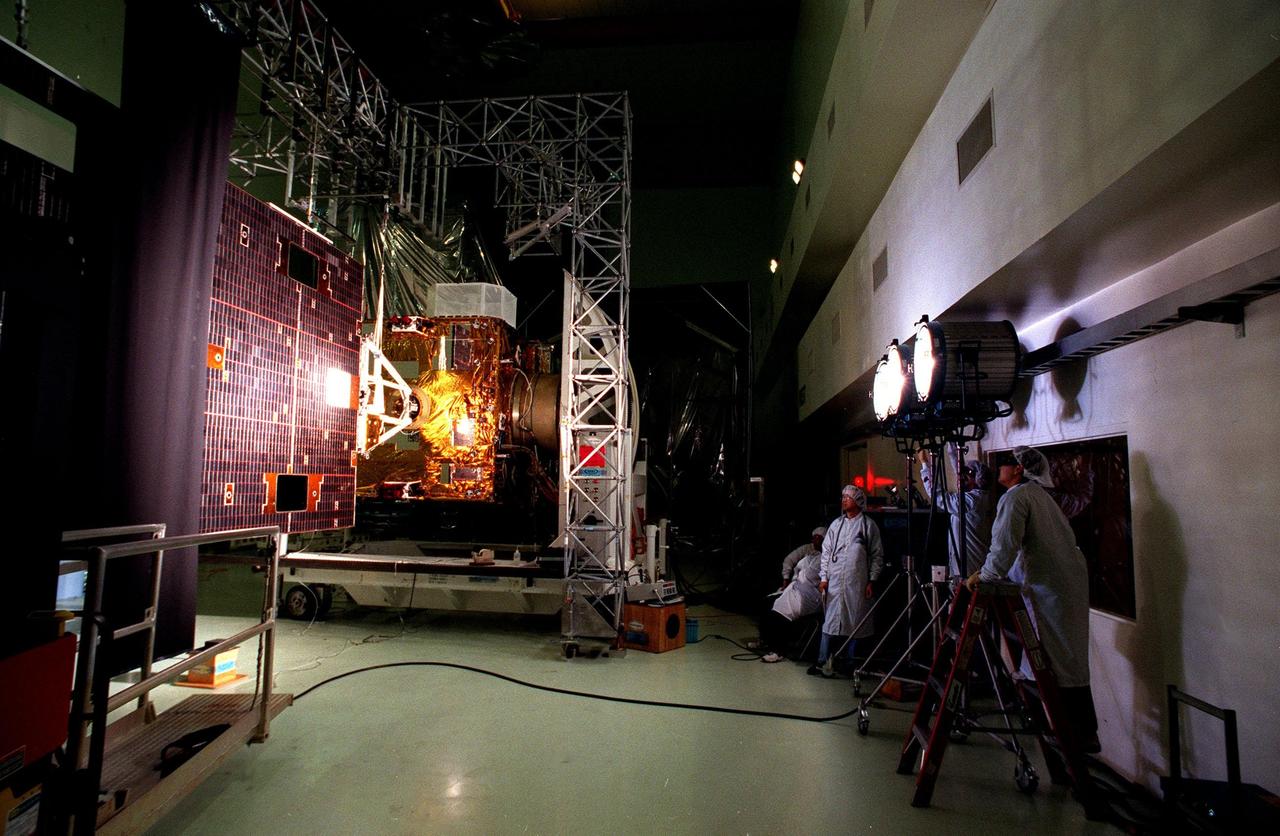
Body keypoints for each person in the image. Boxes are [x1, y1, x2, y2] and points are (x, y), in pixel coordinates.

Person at [965, 445, 1099, 752]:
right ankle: (1077, 733)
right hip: (1060, 585)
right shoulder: (1040, 498)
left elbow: (1004, 544)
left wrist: (984, 575)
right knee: (1067, 659)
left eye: (1007, 463)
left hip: (1049, 589)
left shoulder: (1018, 497)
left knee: (1060, 661)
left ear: (1019, 470)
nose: (999, 467)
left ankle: (1075, 735)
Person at [811, 485, 883, 677]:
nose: (843, 501)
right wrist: (824, 578)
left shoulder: (868, 526)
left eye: (847, 498)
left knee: (857, 621)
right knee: (831, 621)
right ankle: (822, 660)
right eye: (842, 497)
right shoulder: (836, 525)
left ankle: (853, 663)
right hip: (835, 582)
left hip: (857, 583)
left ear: (857, 501)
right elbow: (826, 553)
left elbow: (876, 555)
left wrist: (872, 580)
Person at [918, 446, 995, 577]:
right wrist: (952, 443)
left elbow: (937, 495)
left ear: (977, 479)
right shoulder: (976, 497)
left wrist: (925, 463)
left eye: (967, 475)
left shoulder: (972, 501)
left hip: (971, 570)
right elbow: (958, 470)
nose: (962, 478)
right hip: (964, 567)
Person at [760, 527, 825, 663]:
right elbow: (792, 563)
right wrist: (786, 580)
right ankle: (766, 641)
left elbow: (811, 577)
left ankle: (779, 650)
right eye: (815, 537)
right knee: (766, 602)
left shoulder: (825, 559)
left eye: (820, 538)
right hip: (797, 588)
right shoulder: (810, 553)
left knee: (781, 611)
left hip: (812, 595)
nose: (816, 540)